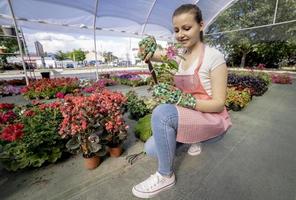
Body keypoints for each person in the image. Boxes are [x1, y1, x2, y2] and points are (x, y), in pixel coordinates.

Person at [132, 4, 232, 199]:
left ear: (201, 25)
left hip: (210, 116)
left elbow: (219, 103)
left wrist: (180, 98)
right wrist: (148, 43)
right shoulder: (178, 55)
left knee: (162, 112)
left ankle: (165, 175)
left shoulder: (214, 57)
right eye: (176, 30)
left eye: (187, 28)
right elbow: (148, 54)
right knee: (151, 148)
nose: (180, 34)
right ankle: (192, 137)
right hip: (189, 112)